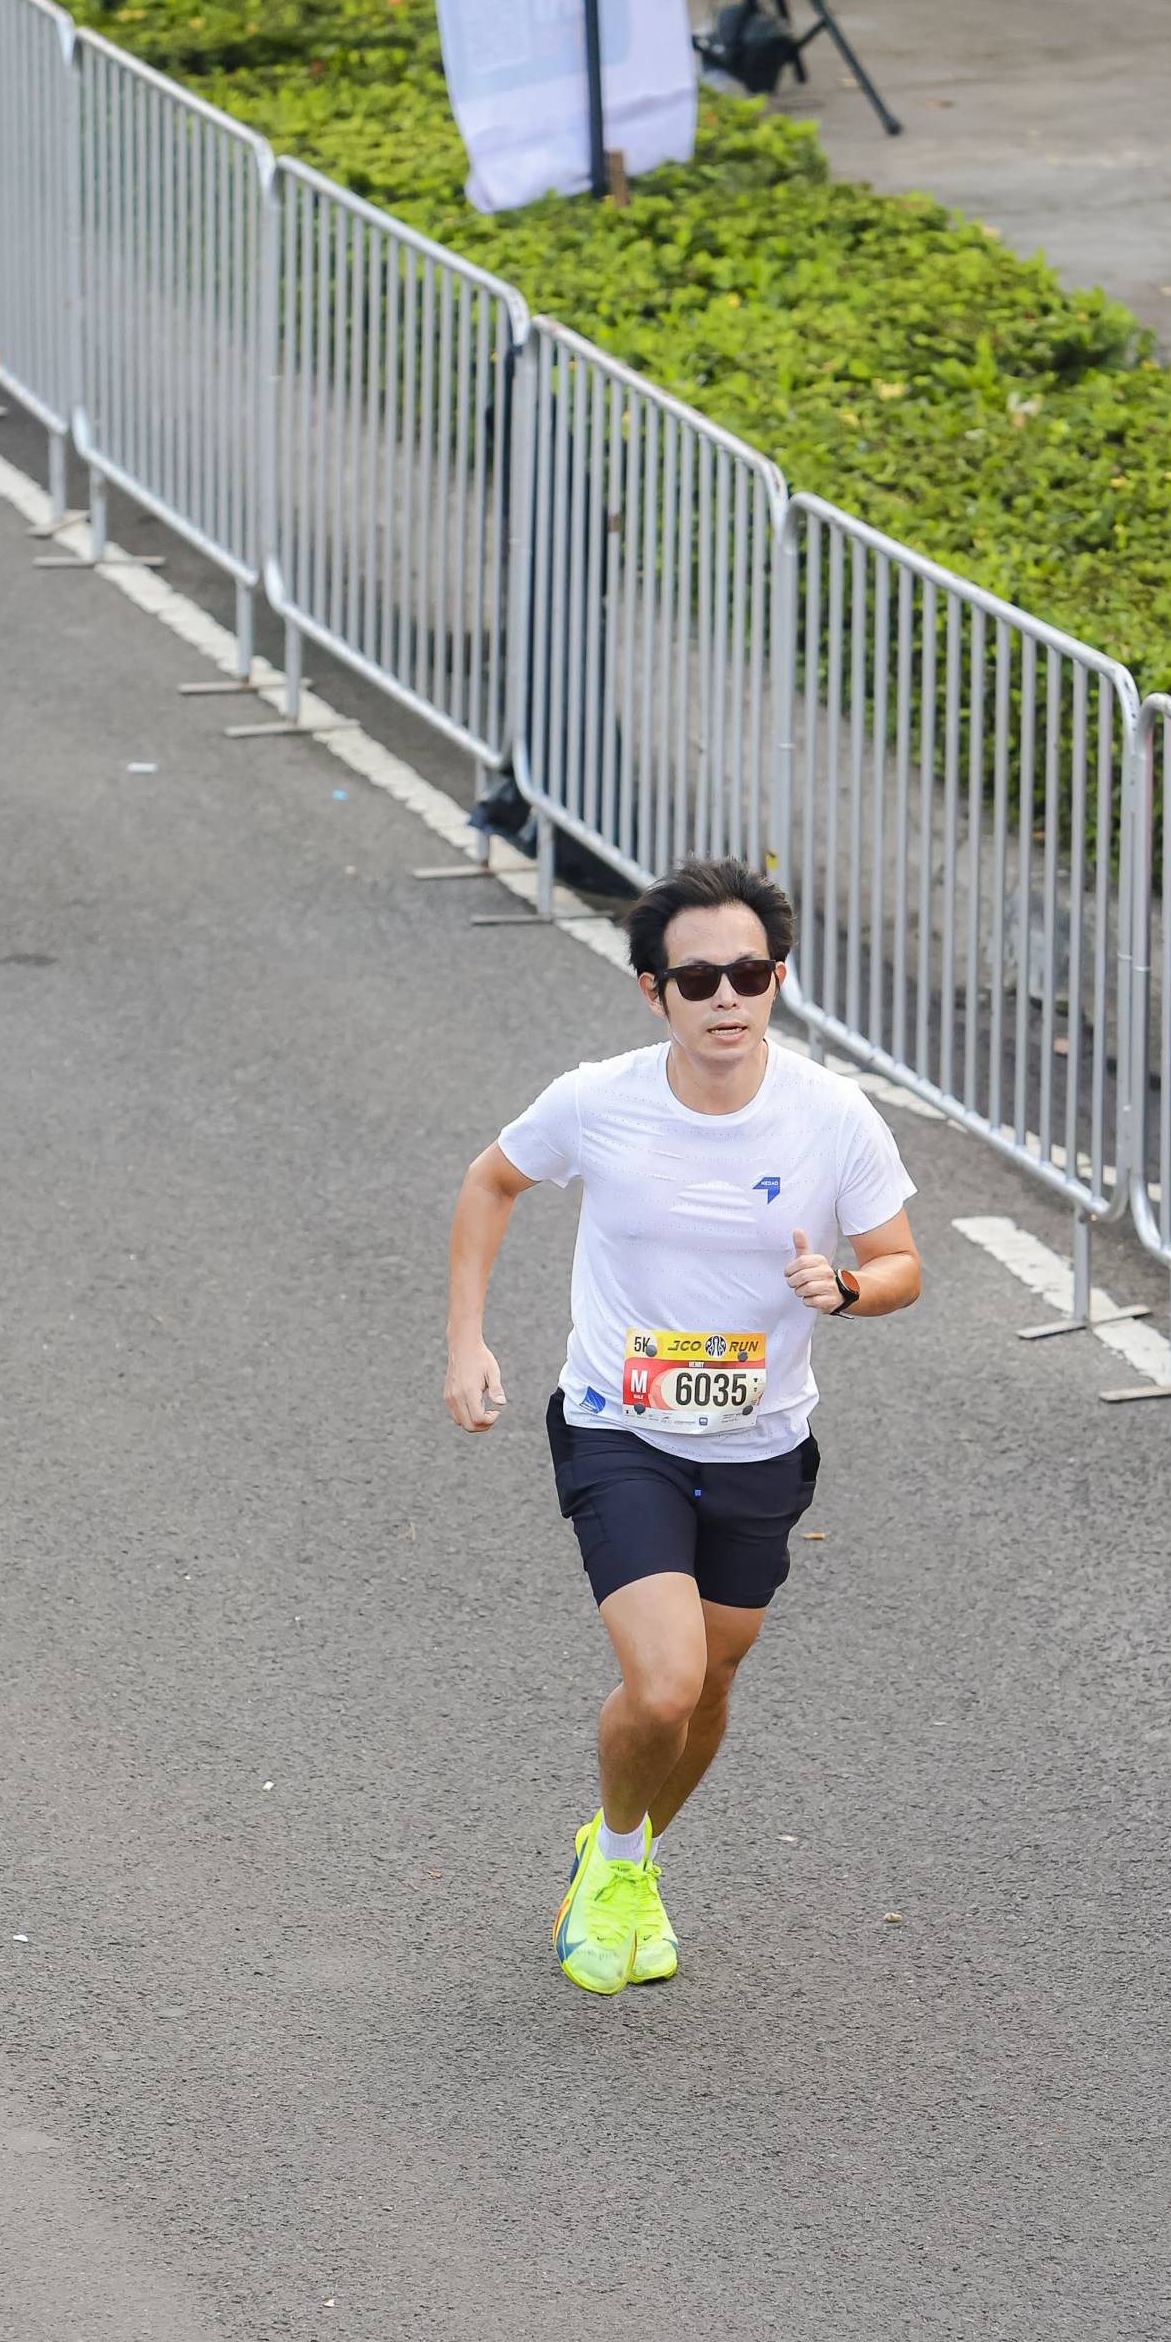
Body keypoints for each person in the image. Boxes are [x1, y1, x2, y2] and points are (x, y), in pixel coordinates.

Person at [444, 856, 921, 1998]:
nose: (726, 998)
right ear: (652, 991)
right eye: (697, 978)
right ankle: (615, 1865)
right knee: (664, 1682)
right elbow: (490, 1182)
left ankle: (625, 1857)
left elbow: (900, 1261)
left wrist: (849, 1290)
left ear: (778, 981)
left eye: (749, 974)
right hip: (621, 1428)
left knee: (709, 1687)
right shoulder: (597, 1101)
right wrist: (466, 1340)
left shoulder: (830, 1116)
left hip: (762, 1442)